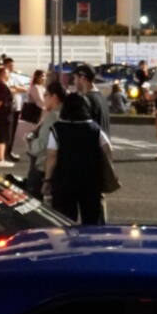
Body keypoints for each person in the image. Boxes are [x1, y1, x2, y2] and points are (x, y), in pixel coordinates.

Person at [42, 90, 114, 223]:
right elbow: (107, 149)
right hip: (90, 180)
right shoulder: (94, 128)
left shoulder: (57, 129)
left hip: (64, 181)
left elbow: (52, 156)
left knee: (65, 220)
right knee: (91, 219)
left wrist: (47, 180)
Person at [22, 82, 63, 194]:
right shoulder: (67, 113)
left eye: (45, 95)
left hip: (44, 167)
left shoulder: (53, 117)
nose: (44, 98)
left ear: (54, 97)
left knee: (34, 198)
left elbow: (42, 145)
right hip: (62, 169)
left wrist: (30, 143)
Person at [73, 64, 110, 137]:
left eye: (75, 78)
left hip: (92, 142)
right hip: (103, 142)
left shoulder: (85, 100)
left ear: (82, 78)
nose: (74, 82)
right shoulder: (102, 97)